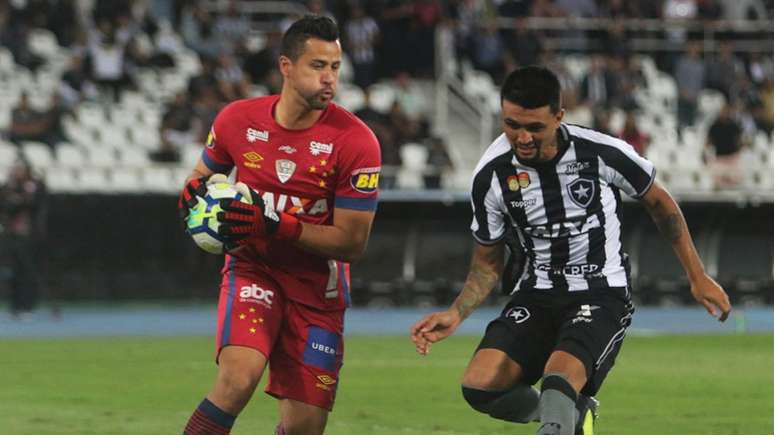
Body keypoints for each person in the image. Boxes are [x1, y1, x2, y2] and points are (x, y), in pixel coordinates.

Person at [410, 66, 731, 435]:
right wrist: (456, 313)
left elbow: (660, 203)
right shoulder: (491, 176)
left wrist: (697, 276)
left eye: (535, 127)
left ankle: (560, 414)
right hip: (537, 294)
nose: (522, 137)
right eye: (512, 124)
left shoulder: (600, 153)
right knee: (480, 387)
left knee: (558, 382)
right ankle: (573, 416)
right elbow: (487, 263)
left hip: (600, 292)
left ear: (559, 117)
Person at [177, 16, 381, 435]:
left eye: (335, 67)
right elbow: (199, 179)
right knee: (237, 378)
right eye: (317, 66)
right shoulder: (237, 119)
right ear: (286, 67)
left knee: (305, 426)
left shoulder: (357, 142)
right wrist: (192, 196)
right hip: (254, 270)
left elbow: (352, 243)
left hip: (317, 292)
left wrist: (274, 223)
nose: (329, 79)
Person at [0, 159, 47, 320]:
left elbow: (34, 204)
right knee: (11, 272)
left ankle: (27, 306)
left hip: (28, 236)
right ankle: (15, 306)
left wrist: (20, 200)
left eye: (20, 169)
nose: (17, 172)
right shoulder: (7, 188)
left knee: (27, 271)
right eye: (15, 169)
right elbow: (6, 206)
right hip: (10, 235)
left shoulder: (34, 186)